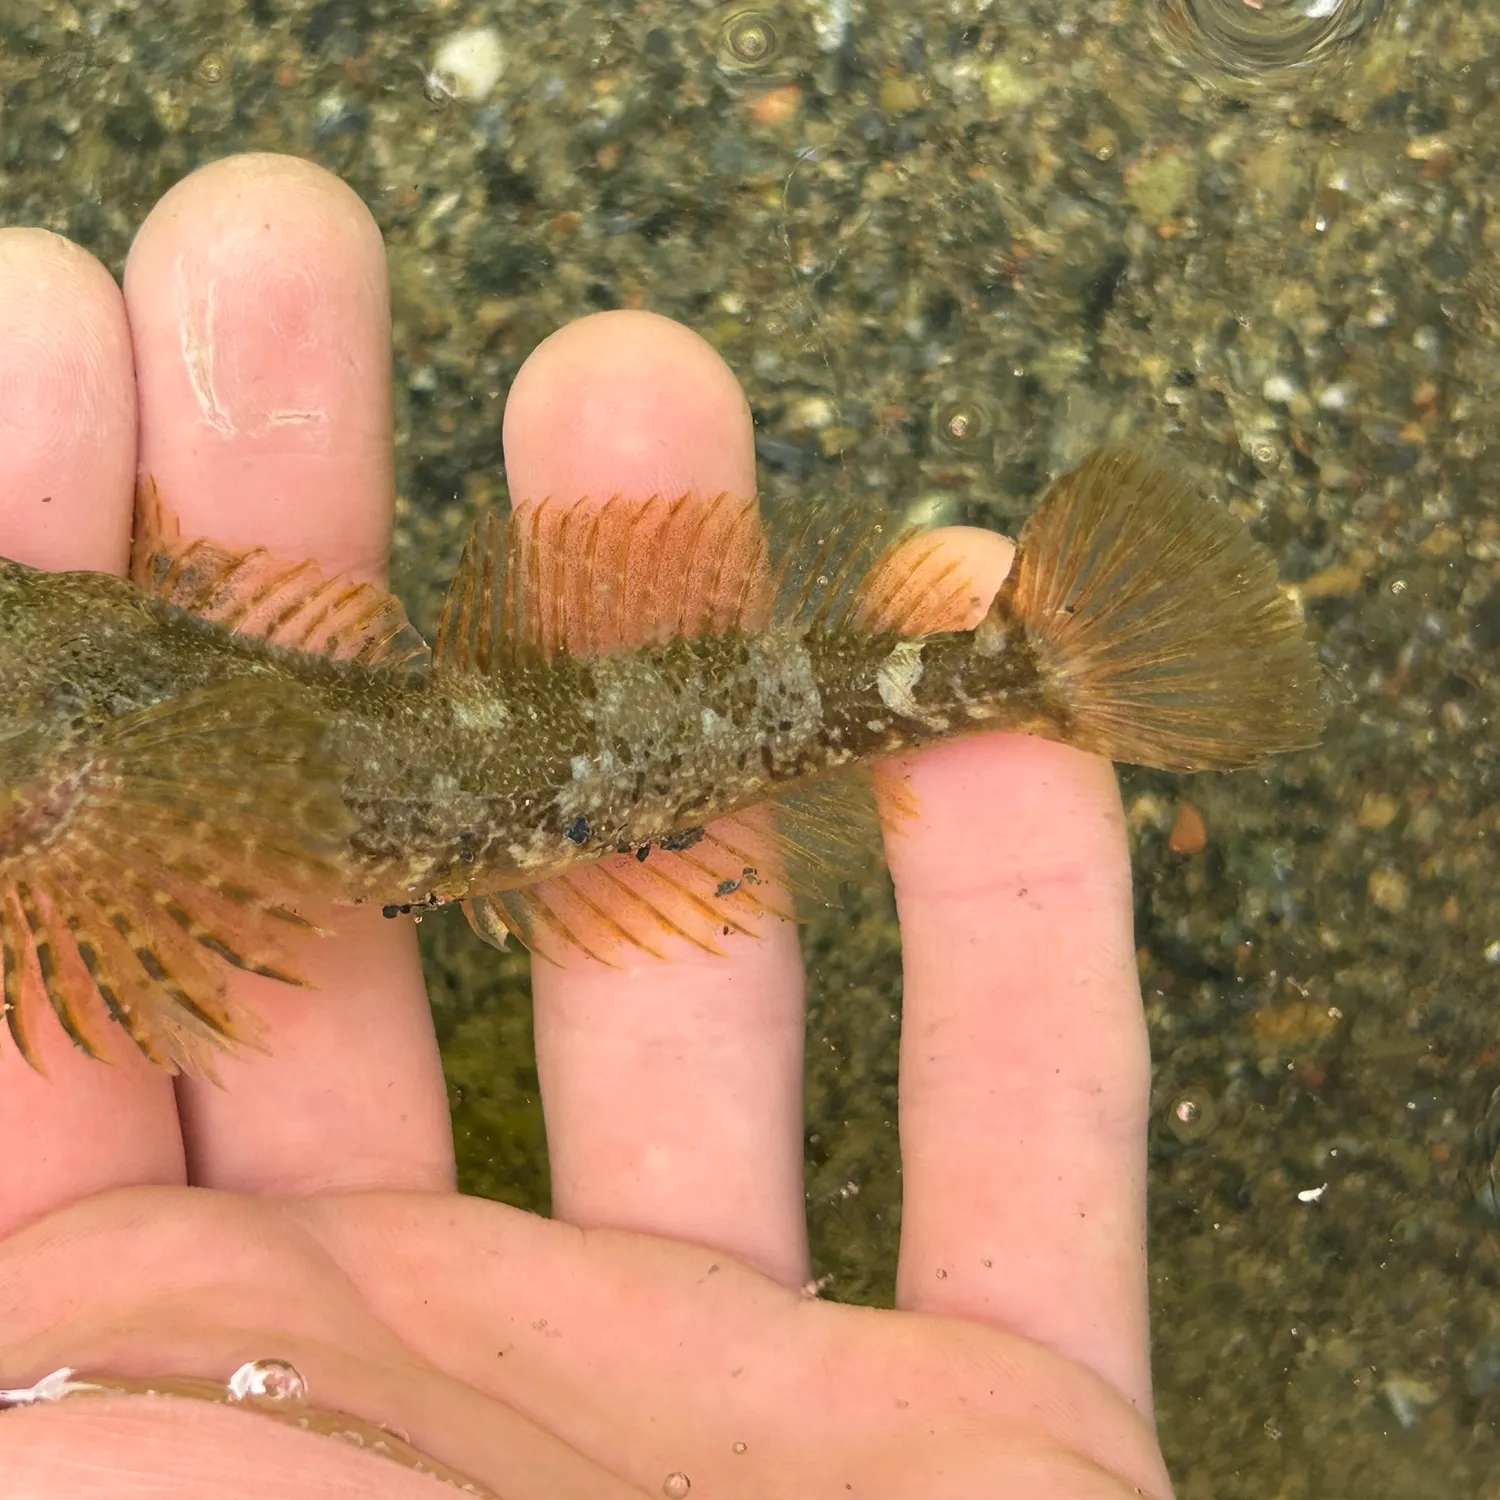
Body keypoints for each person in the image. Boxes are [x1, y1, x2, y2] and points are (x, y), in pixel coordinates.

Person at [0, 154, 1174, 1499]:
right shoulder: (71, 734)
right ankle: (1018, 668)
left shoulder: (70, 779)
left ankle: (1024, 667)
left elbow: (132, 911)